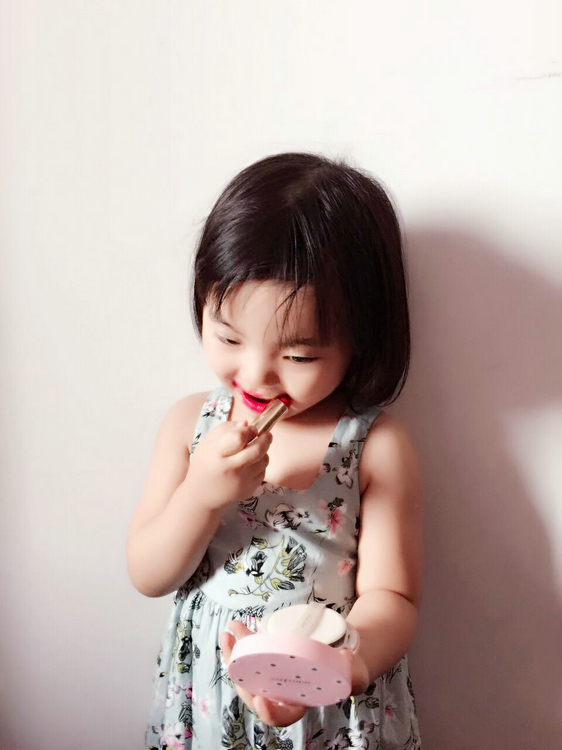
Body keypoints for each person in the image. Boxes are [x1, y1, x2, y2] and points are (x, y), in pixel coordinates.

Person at [127, 152, 424, 749]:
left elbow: (393, 597)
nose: (256, 374)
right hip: (209, 700)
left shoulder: (373, 446)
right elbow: (148, 574)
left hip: (329, 702)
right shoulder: (190, 424)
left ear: (359, 342)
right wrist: (201, 494)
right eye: (228, 336)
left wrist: (341, 667)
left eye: (298, 355)